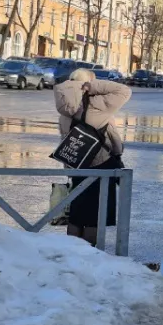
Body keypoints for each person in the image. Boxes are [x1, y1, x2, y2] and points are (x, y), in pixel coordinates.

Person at [54, 68, 132, 246]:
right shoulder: (97, 104)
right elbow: (124, 91)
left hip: (75, 163)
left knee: (77, 209)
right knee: (95, 212)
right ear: (87, 83)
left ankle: (72, 248)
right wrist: (93, 86)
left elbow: (64, 137)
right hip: (99, 164)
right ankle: (90, 251)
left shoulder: (64, 108)